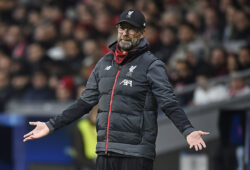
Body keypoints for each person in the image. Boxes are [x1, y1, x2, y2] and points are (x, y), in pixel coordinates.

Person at [23, 9, 209, 170]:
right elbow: (84, 103)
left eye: (132, 29)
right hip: (105, 151)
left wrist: (187, 130)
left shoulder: (152, 65)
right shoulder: (104, 63)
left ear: (142, 33)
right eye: (122, 28)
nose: (125, 33)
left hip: (135, 153)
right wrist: (51, 125)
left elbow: (168, 102)